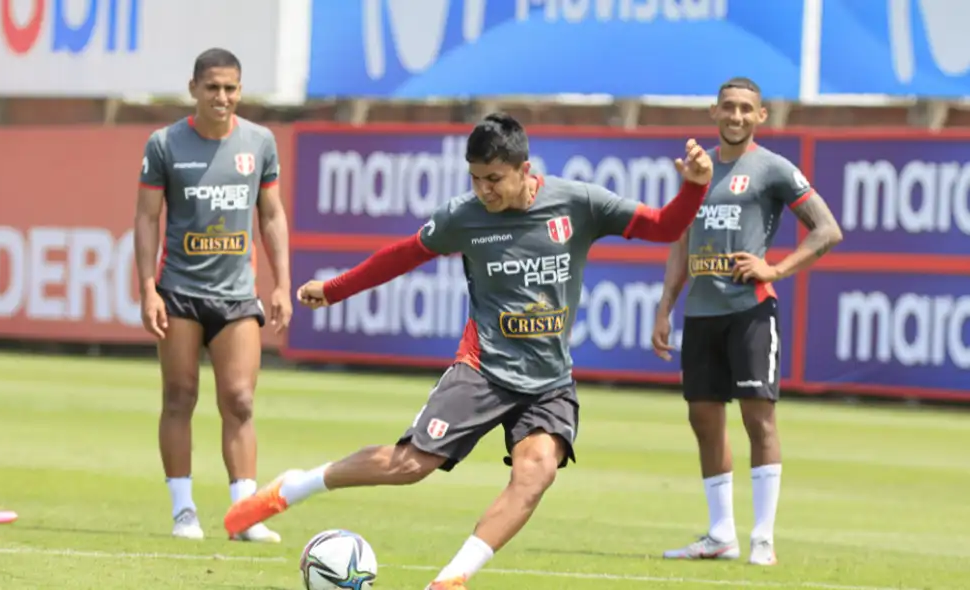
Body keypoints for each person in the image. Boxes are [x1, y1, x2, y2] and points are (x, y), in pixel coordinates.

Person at [224, 112, 713, 589]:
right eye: (476, 178)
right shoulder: (465, 216)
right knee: (411, 466)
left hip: (548, 381)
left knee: (537, 472)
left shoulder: (577, 202)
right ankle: (299, 485)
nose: (484, 189)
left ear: (525, 170)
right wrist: (335, 290)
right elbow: (403, 255)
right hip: (483, 370)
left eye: (494, 178)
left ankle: (451, 580)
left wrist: (693, 187)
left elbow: (664, 227)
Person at [654, 77, 844, 566]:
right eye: (728, 108)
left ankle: (762, 537)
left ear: (761, 116)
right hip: (700, 312)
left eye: (746, 109)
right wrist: (665, 305)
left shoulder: (773, 168)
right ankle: (721, 534)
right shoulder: (698, 171)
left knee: (758, 418)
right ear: (713, 112)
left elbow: (828, 229)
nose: (736, 116)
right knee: (703, 418)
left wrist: (775, 268)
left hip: (750, 311)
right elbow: (681, 240)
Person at [134, 48, 292, 542]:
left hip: (237, 294)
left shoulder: (260, 142)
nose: (222, 97)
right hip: (180, 290)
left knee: (240, 400)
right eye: (213, 88)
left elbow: (271, 215)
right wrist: (146, 288)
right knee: (179, 396)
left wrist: (282, 282)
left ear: (240, 91)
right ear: (194, 89)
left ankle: (243, 514)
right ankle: (184, 511)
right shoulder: (164, 144)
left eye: (230, 88)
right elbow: (146, 218)